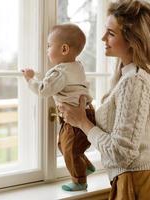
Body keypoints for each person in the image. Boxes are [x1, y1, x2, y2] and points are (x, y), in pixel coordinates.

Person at [58, 0, 150, 199]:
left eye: (111, 33)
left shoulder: (135, 81)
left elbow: (122, 153)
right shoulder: (135, 76)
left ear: (133, 40)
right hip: (141, 181)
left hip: (141, 185)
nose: (103, 37)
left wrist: (82, 122)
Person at [22, 23, 96, 191]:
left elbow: (43, 90)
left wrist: (30, 78)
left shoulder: (60, 72)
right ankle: (86, 166)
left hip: (76, 118)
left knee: (70, 149)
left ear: (64, 49)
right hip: (86, 112)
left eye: (49, 46)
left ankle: (80, 181)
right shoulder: (77, 66)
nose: (47, 50)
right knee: (65, 146)